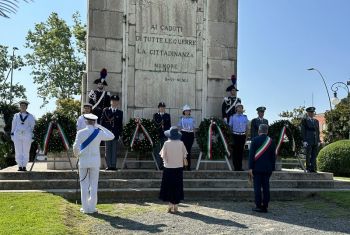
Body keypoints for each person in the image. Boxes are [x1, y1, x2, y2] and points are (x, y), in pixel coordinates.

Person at [73, 114, 114, 214]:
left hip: (83, 161)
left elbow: (75, 147)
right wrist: (100, 126)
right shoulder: (99, 132)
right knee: (94, 185)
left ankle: (85, 208)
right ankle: (92, 208)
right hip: (95, 162)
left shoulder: (80, 132)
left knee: (84, 185)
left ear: (86, 121)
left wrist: (77, 156)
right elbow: (112, 136)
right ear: (95, 122)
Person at [159, 126, 188, 213]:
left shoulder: (166, 143)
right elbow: (185, 155)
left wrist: (167, 162)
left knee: (169, 186)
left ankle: (170, 205)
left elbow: (163, 156)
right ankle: (176, 205)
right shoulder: (181, 143)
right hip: (178, 167)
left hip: (168, 168)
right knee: (177, 186)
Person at [248, 124, 276, 213]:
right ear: (267, 131)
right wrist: (272, 168)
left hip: (257, 168)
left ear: (259, 131)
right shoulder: (271, 141)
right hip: (268, 169)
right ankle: (265, 206)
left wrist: (250, 168)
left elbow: (251, 156)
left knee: (257, 188)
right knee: (266, 188)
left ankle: (258, 206)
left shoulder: (255, 140)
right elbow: (273, 157)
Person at [11, 100, 36, 171]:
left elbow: (33, 127)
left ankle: (24, 166)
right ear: (20, 107)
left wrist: (33, 136)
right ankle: (19, 165)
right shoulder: (16, 115)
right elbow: (13, 125)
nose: (22, 107)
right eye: (21, 106)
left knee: (26, 150)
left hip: (27, 135)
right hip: (17, 135)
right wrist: (12, 134)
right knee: (18, 150)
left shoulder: (30, 116)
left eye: (24, 106)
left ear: (26, 107)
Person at [100, 95, 123, 170]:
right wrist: (102, 132)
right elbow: (102, 122)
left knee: (114, 150)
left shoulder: (120, 112)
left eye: (116, 101)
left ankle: (113, 165)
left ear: (118, 102)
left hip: (115, 133)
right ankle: (109, 165)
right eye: (113, 101)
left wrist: (120, 134)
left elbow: (120, 124)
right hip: (107, 133)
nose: (114, 102)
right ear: (110, 102)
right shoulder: (106, 111)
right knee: (108, 149)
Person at [229, 103, 249, 171]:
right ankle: (235, 167)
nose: (240, 108)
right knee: (235, 152)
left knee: (240, 152)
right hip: (235, 136)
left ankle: (240, 167)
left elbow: (247, 128)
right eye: (239, 107)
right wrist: (231, 137)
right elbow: (230, 127)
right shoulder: (232, 117)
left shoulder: (245, 117)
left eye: (241, 107)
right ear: (236, 108)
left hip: (242, 136)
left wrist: (246, 137)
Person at [300, 106, 320, 173]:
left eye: (313, 112)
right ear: (307, 113)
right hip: (308, 140)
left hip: (315, 140)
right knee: (308, 155)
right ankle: (308, 168)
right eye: (310, 112)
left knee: (314, 155)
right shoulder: (304, 120)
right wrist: (304, 140)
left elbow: (318, 131)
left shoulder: (316, 121)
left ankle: (313, 168)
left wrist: (318, 140)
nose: (312, 113)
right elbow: (303, 130)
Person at [153, 102, 171, 169]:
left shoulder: (167, 115)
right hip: (157, 135)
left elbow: (169, 126)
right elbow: (154, 125)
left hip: (165, 135)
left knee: (164, 151)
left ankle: (164, 165)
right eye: (161, 107)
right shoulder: (155, 115)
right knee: (157, 151)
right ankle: (157, 166)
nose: (162, 108)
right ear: (158, 108)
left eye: (163, 107)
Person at [177, 105, 195, 171]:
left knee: (188, 151)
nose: (187, 112)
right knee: (183, 151)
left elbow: (193, 128)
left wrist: (194, 136)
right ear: (184, 112)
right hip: (183, 134)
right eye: (186, 111)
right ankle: (182, 166)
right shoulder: (181, 118)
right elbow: (179, 127)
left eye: (188, 111)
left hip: (190, 135)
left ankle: (188, 166)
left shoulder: (192, 118)